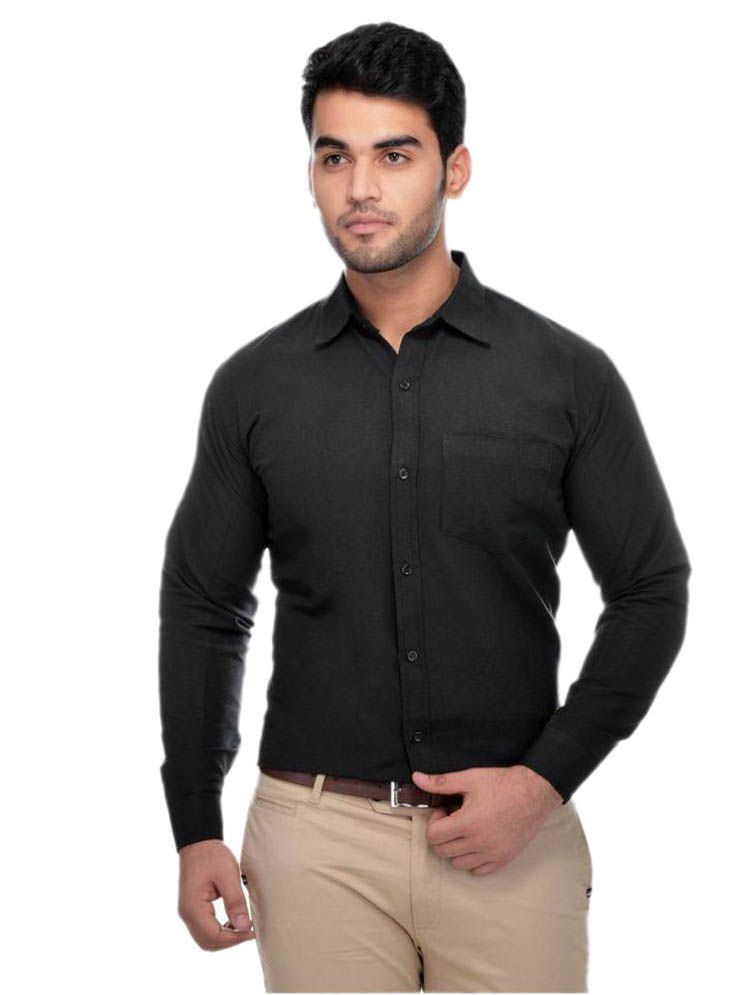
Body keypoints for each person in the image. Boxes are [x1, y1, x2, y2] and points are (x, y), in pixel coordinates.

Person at [158, 20, 691, 993]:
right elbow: (205, 606)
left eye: (394, 155)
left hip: (511, 838)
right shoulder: (254, 388)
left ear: (455, 169)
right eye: (335, 157)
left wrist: (544, 782)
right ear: (311, 173)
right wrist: (195, 823)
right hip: (314, 842)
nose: (361, 188)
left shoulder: (567, 378)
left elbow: (651, 589)